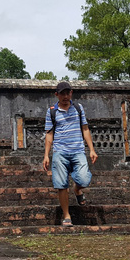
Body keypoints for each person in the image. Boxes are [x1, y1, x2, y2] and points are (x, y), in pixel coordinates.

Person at [42, 81, 98, 226]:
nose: (65, 96)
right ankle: (67, 215)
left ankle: (77, 190)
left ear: (71, 93)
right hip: (60, 152)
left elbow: (85, 129)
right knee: (61, 185)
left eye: (68, 93)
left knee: (84, 179)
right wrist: (46, 155)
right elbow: (49, 134)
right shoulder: (52, 111)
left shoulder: (78, 108)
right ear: (57, 95)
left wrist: (91, 149)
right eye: (62, 94)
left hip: (78, 150)